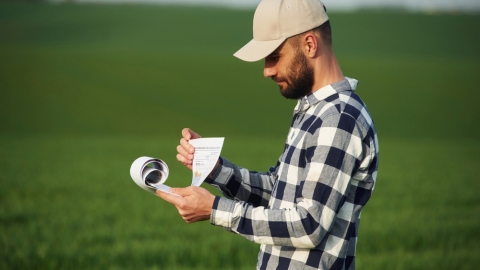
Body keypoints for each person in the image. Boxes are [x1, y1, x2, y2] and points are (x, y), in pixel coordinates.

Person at [157, 0, 379, 269]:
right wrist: (216, 169)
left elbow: (309, 225)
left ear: (310, 44)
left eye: (274, 56)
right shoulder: (314, 111)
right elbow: (279, 194)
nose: (266, 70)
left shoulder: (339, 118)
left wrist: (215, 209)